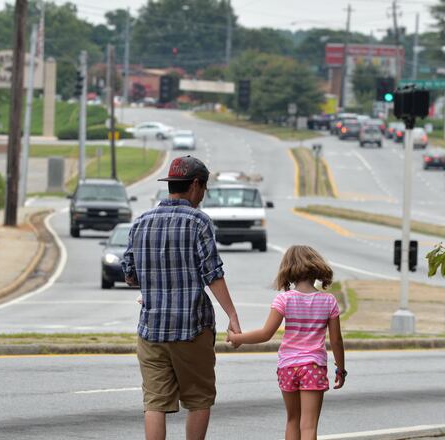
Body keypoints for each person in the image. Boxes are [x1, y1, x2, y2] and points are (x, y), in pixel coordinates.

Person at [122, 155, 242, 440]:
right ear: (196, 185)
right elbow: (212, 273)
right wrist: (232, 315)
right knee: (199, 398)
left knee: (155, 402)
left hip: (151, 330)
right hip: (191, 329)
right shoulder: (199, 222)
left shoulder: (141, 222)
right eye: (204, 189)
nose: (203, 195)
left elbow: (129, 274)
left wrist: (153, 284)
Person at [228, 245, 346, 440]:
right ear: (316, 268)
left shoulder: (284, 300)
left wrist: (237, 338)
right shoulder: (329, 301)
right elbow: (336, 340)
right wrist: (340, 369)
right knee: (308, 426)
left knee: (292, 420)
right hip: (313, 366)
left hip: (288, 367)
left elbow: (266, 333)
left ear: (288, 270)